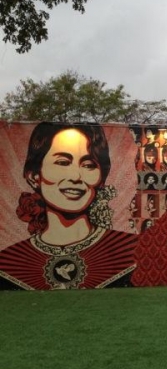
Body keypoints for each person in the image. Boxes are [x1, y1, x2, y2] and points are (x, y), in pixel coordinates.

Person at [0, 122, 138, 290]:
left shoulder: (129, 248)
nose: (76, 176)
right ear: (34, 176)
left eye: (88, 165)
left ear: (101, 179)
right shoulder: (9, 260)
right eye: (63, 162)